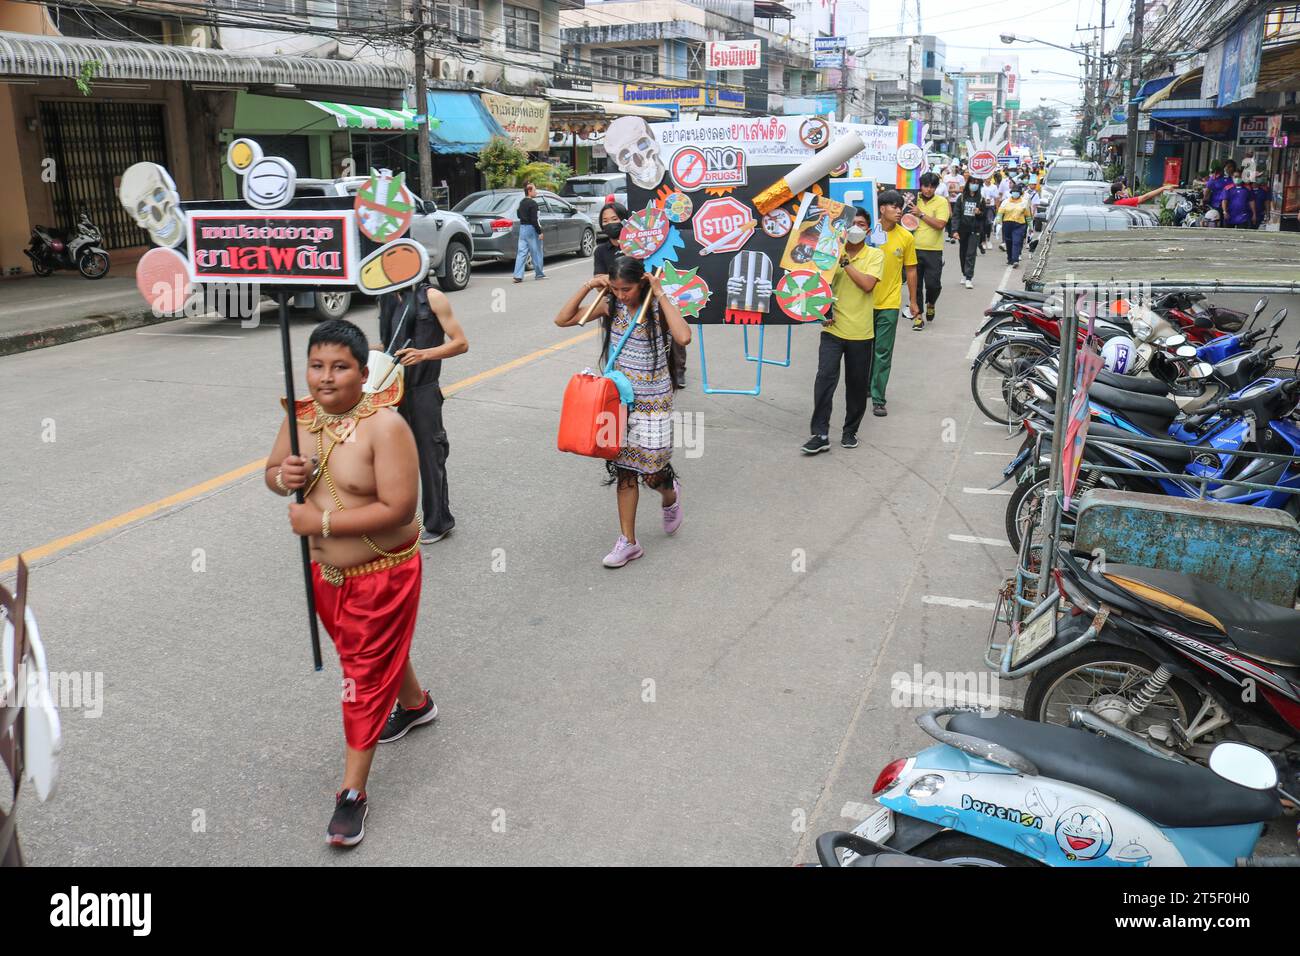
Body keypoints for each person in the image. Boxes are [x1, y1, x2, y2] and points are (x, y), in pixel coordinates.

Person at [265, 319, 434, 848]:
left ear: (364, 374)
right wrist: (282, 479)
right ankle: (415, 704)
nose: (325, 378)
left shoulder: (387, 428)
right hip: (326, 578)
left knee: (360, 677)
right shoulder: (300, 420)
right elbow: (271, 471)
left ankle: (352, 795)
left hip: (383, 576)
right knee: (370, 656)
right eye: (317, 366)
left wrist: (323, 524)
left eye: (340, 367)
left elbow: (401, 508)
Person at [554, 256, 692, 568]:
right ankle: (628, 542)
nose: (621, 295)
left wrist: (659, 293)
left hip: (655, 402)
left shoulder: (655, 309)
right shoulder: (611, 306)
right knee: (626, 470)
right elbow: (562, 320)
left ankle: (670, 496)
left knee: (652, 473)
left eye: (626, 289)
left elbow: (683, 336)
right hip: (618, 402)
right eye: (615, 289)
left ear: (641, 283)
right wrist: (589, 285)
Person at [379, 275, 469, 545]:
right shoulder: (386, 297)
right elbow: (389, 345)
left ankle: (438, 521)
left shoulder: (432, 297)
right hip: (391, 391)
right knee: (393, 459)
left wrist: (424, 354)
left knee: (431, 457)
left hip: (423, 391)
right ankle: (395, 518)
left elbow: (461, 342)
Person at [801, 207, 884, 455]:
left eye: (860, 224)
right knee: (824, 380)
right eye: (851, 224)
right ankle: (820, 433)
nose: (855, 228)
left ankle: (850, 431)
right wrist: (822, 312)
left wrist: (845, 262)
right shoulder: (829, 254)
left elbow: (868, 285)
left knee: (857, 385)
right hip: (833, 329)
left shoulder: (875, 255)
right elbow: (817, 286)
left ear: (868, 230)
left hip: (861, 332)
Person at [870, 190, 920, 414]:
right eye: (894, 206)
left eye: (900, 207)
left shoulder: (906, 237)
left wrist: (913, 300)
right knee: (863, 350)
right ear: (882, 209)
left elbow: (911, 269)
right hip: (863, 302)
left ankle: (878, 397)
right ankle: (865, 386)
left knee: (883, 351)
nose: (899, 210)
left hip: (890, 302)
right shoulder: (867, 232)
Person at [908, 171, 950, 325]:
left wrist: (921, 215)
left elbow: (940, 225)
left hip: (934, 251)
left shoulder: (941, 202)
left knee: (933, 284)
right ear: (920, 186)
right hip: (912, 249)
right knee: (915, 285)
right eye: (926, 186)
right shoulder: (912, 199)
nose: (928, 190)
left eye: (932, 187)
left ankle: (931, 302)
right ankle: (918, 315)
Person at [954, 178, 987, 290]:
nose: (974, 185)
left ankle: (969, 277)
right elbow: (956, 215)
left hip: (975, 230)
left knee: (971, 253)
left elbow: (984, 216)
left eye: (977, 184)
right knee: (963, 253)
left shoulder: (981, 199)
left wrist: (979, 213)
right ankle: (964, 273)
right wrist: (954, 230)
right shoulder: (961, 198)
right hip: (963, 230)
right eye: (972, 183)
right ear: (968, 184)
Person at [513, 182, 545, 283]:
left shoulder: (522, 202)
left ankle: (518, 275)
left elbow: (518, 215)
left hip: (522, 228)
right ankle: (539, 274)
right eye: (535, 190)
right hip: (531, 229)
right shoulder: (533, 204)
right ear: (529, 191)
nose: (536, 192)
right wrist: (539, 232)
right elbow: (534, 220)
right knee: (536, 251)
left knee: (521, 252)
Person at [997, 184, 1033, 269]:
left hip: (1019, 225)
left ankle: (1015, 260)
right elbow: (1000, 212)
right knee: (1009, 242)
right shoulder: (1005, 202)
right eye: (1014, 192)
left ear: (1020, 193)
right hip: (1007, 224)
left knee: (1016, 241)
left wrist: (1031, 226)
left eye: (1017, 192)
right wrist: (998, 220)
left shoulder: (1024, 203)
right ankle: (1010, 258)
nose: (1015, 193)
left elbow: (1028, 215)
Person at [593, 201, 630, 278]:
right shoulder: (600, 251)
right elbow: (599, 284)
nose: (610, 223)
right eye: (605, 221)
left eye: (614, 219)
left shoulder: (636, 246)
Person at [942, 163, 965, 243]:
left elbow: (962, 189)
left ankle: (955, 233)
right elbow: (944, 188)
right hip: (948, 200)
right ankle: (949, 234)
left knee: (956, 217)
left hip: (957, 200)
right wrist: (950, 192)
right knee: (948, 217)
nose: (954, 169)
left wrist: (954, 191)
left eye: (956, 167)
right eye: (953, 167)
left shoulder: (961, 178)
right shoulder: (946, 177)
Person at [1104, 181, 1175, 207]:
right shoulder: (1122, 202)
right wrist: (1163, 188)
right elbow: (1145, 197)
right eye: (1124, 189)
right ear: (1119, 193)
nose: (1126, 190)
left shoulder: (1110, 200)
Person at [979, 176, 1000, 253]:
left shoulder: (994, 187)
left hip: (991, 207)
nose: (988, 178)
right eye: (986, 177)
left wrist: (997, 209)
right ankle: (983, 241)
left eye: (989, 177)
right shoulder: (981, 186)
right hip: (982, 207)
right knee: (982, 225)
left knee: (988, 223)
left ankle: (988, 240)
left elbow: (996, 198)